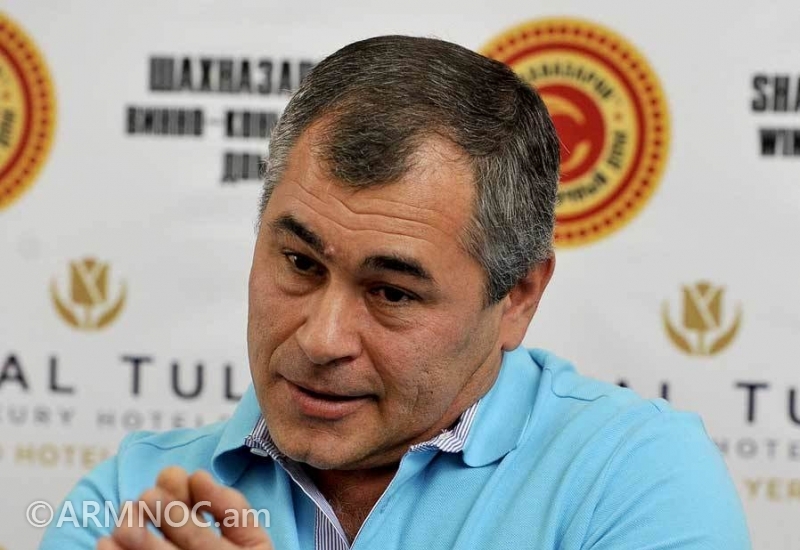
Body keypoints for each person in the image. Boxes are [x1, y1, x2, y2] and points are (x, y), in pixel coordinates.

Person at [39, 35, 751, 550]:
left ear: (518, 297)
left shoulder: (633, 478)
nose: (321, 339)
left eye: (392, 293)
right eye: (300, 263)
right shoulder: (135, 501)